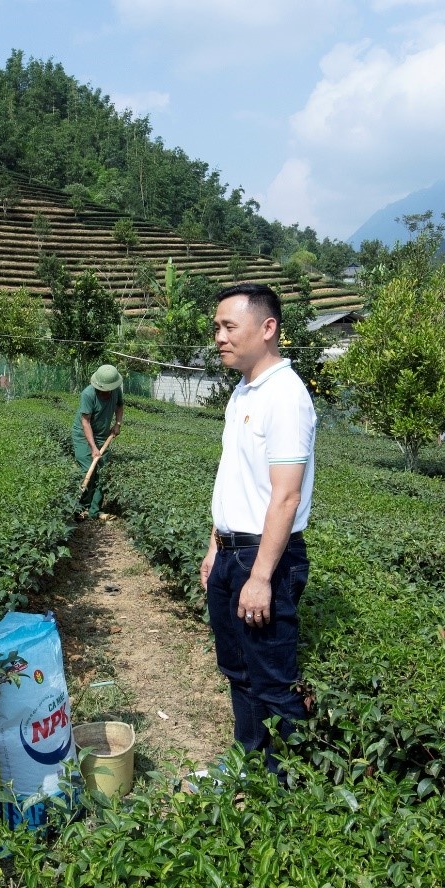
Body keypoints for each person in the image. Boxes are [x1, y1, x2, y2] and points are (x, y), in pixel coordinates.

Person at [199, 283, 316, 775]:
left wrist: (262, 576)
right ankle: (248, 764)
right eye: (218, 328)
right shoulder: (245, 391)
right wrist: (213, 547)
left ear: (267, 329)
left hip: (262, 557)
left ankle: (286, 788)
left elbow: (285, 495)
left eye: (229, 327)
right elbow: (234, 480)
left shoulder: (286, 397)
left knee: (271, 680)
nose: (219, 338)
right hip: (232, 553)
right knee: (238, 671)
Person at [71, 363, 125, 521]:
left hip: (103, 436)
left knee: (102, 472)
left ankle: (95, 510)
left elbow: (120, 406)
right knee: (88, 470)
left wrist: (118, 424)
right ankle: (79, 508)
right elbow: (85, 422)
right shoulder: (88, 394)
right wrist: (94, 448)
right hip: (83, 435)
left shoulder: (116, 391)